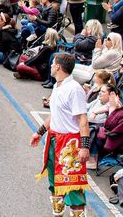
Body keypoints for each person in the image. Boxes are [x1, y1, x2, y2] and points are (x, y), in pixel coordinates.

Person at [30, 52, 89, 217]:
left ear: (58, 67)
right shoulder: (58, 86)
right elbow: (54, 115)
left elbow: (83, 120)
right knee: (55, 182)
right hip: (54, 140)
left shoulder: (74, 90)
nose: (50, 66)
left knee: (73, 187)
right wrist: (39, 132)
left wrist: (84, 147)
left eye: (52, 64)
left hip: (70, 145)